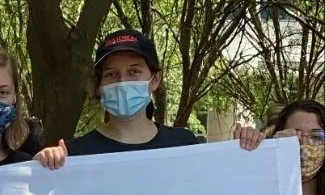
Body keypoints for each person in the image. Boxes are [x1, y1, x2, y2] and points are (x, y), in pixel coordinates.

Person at [35, 29, 263, 164]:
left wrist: (247, 151)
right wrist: (40, 170)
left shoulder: (183, 145)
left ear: (155, 79)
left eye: (134, 72)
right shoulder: (75, 155)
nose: (123, 82)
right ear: (98, 85)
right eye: (111, 74)